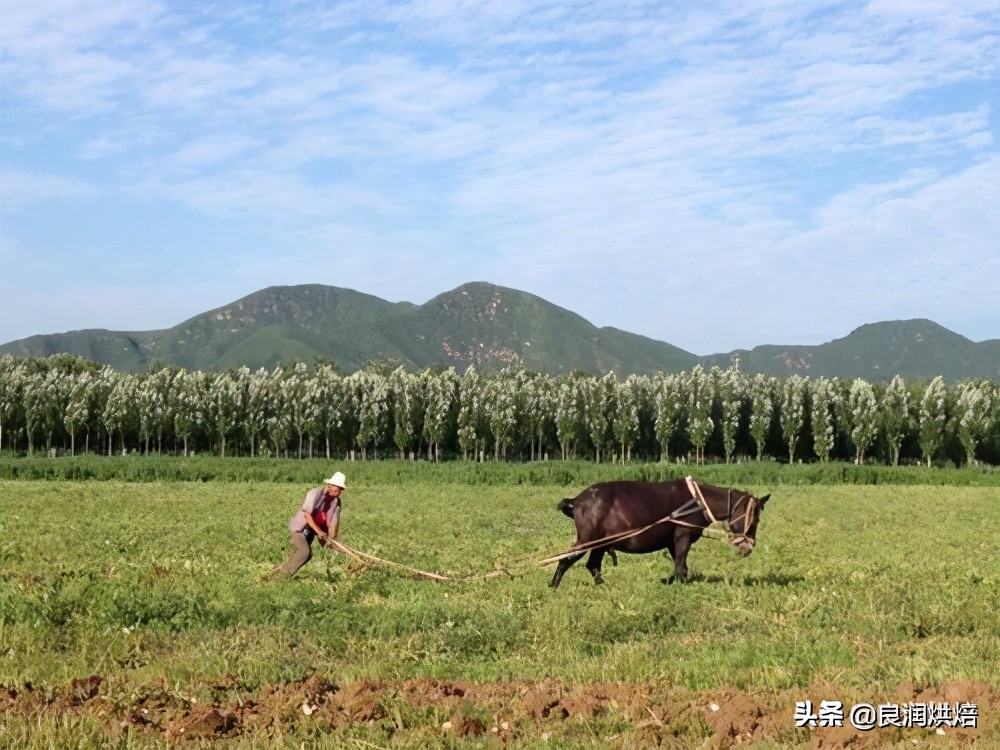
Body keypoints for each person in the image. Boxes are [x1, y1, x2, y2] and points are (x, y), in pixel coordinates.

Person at [276, 471, 346, 577]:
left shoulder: (336, 502)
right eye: (337, 490)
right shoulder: (314, 493)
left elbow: (334, 523)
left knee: (307, 555)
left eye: (340, 490)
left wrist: (331, 540)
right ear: (329, 486)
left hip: (311, 531)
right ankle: (281, 577)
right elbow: (307, 514)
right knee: (304, 552)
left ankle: (280, 573)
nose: (338, 493)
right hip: (300, 529)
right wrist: (318, 531)